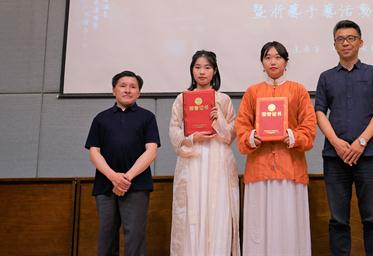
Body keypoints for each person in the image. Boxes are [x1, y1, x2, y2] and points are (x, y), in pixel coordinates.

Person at [315, 20, 373, 256]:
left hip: (368, 156)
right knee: (338, 220)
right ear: (334, 45)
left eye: (350, 38)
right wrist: (336, 143)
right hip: (335, 158)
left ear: (360, 42)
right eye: (340, 39)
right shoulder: (326, 77)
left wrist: (361, 142)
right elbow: (319, 112)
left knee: (372, 218)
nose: (345, 43)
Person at [235, 41, 317, 256]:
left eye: (278, 57)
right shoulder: (252, 92)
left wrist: (292, 136)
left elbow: (309, 128)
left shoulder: (298, 90)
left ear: (286, 62)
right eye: (268, 57)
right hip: (259, 169)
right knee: (258, 227)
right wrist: (252, 137)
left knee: (289, 225)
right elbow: (242, 127)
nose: (273, 61)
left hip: (290, 168)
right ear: (262, 63)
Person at [169, 50, 240, 256]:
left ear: (214, 71)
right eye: (198, 67)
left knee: (218, 210)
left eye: (207, 68)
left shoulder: (223, 99)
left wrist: (220, 120)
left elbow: (231, 134)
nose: (202, 72)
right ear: (192, 70)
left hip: (218, 158)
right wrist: (192, 138)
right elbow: (174, 130)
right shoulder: (182, 98)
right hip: (193, 158)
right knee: (193, 209)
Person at [85, 70, 161, 256]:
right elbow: (94, 152)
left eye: (133, 87)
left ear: (139, 93)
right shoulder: (101, 118)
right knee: (106, 238)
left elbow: (151, 151)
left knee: (135, 237)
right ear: (114, 90)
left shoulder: (147, 117)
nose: (128, 90)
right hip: (105, 185)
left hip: (137, 185)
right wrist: (113, 177)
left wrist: (126, 178)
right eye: (123, 86)